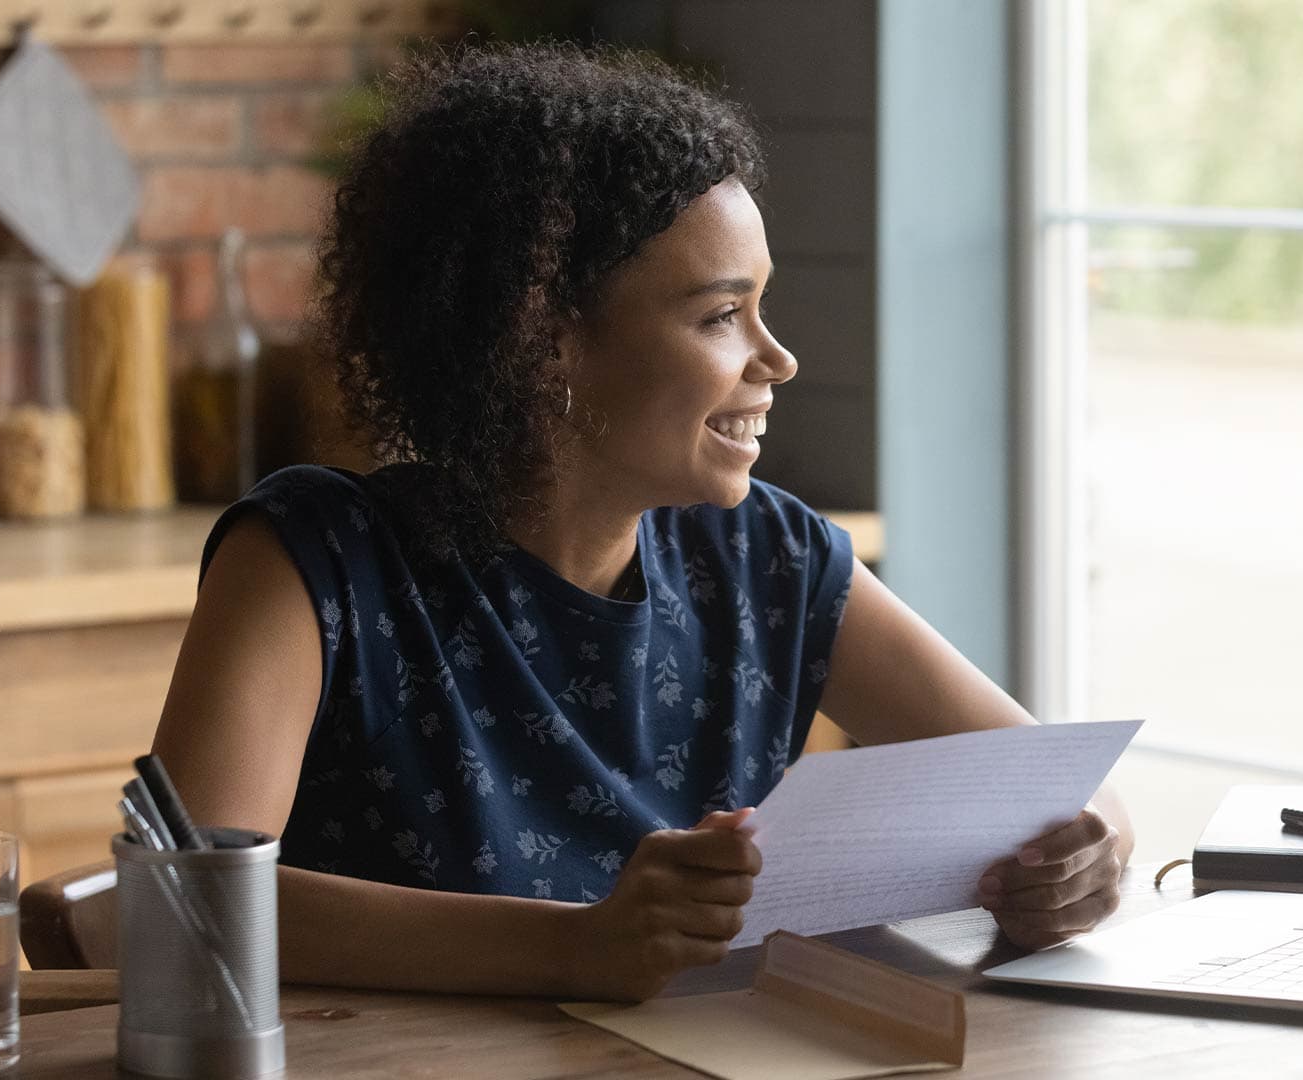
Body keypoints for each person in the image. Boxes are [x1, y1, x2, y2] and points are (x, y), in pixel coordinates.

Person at [151, 42, 1133, 1003]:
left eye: (763, 308)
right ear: (540, 340)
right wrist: (570, 949)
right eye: (720, 316)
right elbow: (178, 900)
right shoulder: (313, 560)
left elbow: (1054, 790)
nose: (777, 359)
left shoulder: (770, 559)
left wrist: (1088, 848)